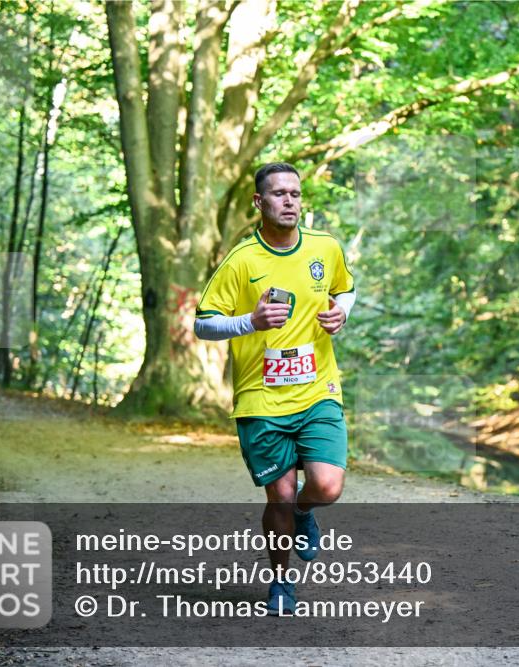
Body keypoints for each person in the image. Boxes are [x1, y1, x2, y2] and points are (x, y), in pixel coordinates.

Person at [194, 162, 356, 615]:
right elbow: (202, 325)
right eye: (280, 194)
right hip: (261, 398)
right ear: (259, 202)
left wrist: (342, 313)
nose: (290, 201)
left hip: (318, 391)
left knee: (326, 487)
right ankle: (282, 582)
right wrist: (250, 321)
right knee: (278, 496)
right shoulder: (241, 260)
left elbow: (346, 290)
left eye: (296, 194)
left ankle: (307, 512)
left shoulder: (325, 247)